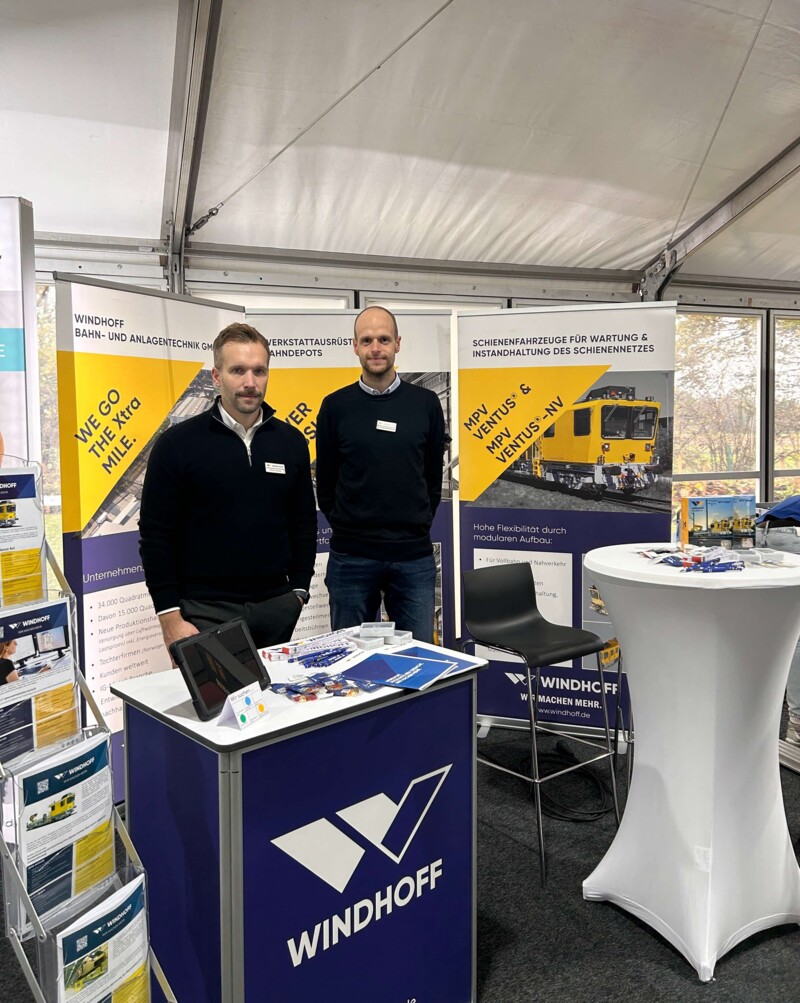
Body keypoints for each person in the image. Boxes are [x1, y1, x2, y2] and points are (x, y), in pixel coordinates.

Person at [139, 322, 317, 654]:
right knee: (216, 707)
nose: (250, 382)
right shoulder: (177, 444)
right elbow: (156, 534)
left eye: (259, 371)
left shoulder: (291, 442)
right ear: (216, 376)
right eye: (238, 370)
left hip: (277, 607)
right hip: (206, 612)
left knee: (275, 705)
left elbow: (303, 523)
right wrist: (169, 616)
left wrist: (299, 592)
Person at [316, 305, 446, 642]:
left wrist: (414, 523)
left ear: (397, 344)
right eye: (368, 340)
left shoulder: (426, 403)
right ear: (355, 346)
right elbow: (326, 482)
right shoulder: (335, 406)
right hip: (351, 557)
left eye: (384, 339)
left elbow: (432, 478)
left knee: (418, 656)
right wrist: (350, 525)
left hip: (412, 556)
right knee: (347, 660)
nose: (376, 348)